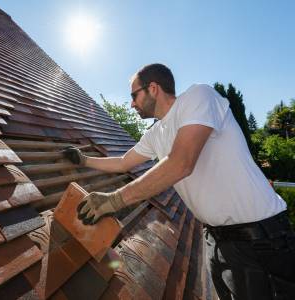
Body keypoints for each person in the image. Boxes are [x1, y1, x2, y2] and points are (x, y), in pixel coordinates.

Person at [63, 63, 295, 300]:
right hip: (217, 242)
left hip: (263, 240)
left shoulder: (198, 97)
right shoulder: (155, 134)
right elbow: (123, 162)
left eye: (134, 95)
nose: (131, 103)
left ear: (153, 88)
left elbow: (181, 162)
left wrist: (114, 200)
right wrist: (84, 160)